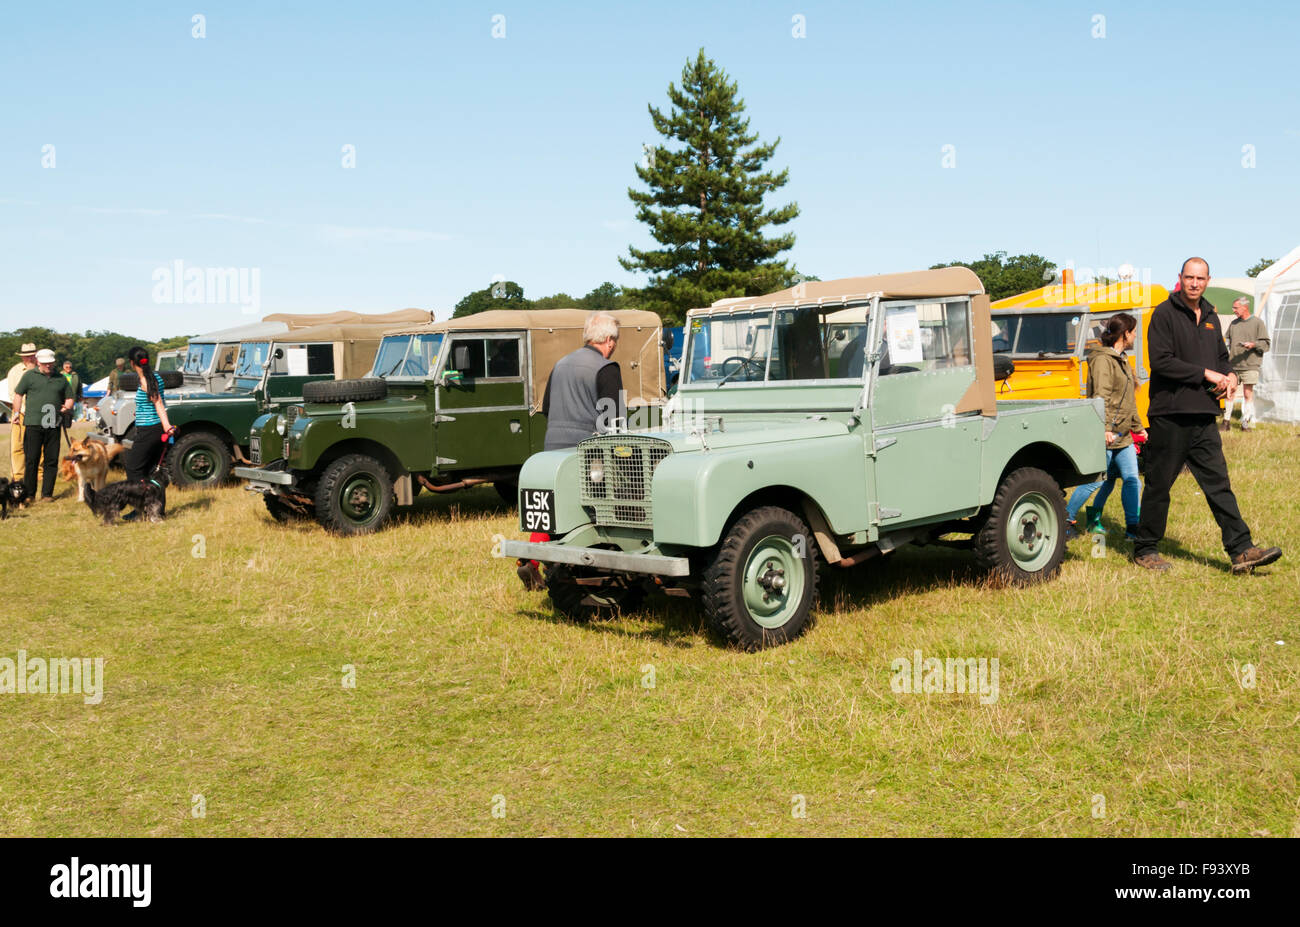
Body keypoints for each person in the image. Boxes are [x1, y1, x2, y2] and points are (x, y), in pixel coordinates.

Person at [1131, 258, 1281, 574]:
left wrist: (1231, 377)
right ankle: (1145, 549)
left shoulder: (1212, 316)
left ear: (1208, 280)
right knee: (1159, 485)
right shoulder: (1164, 313)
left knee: (1219, 484)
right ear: (1180, 278)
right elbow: (1161, 362)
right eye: (1189, 277)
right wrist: (1207, 374)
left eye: (1200, 278)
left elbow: (1222, 359)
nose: (1195, 283)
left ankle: (1241, 551)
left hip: (1203, 415)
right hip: (1170, 414)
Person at [517, 312, 624, 589]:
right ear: (609, 341)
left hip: (553, 447)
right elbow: (614, 420)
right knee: (594, 513)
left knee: (551, 509)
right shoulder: (607, 368)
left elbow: (549, 408)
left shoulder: (560, 364)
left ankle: (531, 560)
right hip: (588, 453)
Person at [1065, 313, 1145, 540]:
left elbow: (1127, 399)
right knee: (1095, 482)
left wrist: (1138, 427)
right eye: (1134, 331)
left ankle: (1132, 529)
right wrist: (1104, 429)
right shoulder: (1102, 360)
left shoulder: (1121, 358)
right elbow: (1102, 397)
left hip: (1124, 435)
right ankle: (1066, 518)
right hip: (1108, 433)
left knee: (1131, 480)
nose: (1136, 335)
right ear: (1125, 334)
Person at [12, 349, 72, 503]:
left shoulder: (60, 378)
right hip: (33, 424)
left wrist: (66, 407)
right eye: (45, 363)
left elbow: (70, 397)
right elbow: (18, 394)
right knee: (32, 459)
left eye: (51, 363)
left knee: (51, 460)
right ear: (38, 362)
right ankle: (29, 495)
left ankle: (47, 494)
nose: (48, 366)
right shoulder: (29, 376)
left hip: (53, 424)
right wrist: (16, 413)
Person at [123, 346, 176, 516]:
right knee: (153, 471)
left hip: (150, 430)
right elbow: (153, 403)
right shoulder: (156, 377)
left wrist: (167, 426)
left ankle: (140, 508)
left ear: (132, 363)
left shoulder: (146, 380)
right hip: (154, 429)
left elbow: (159, 403)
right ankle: (158, 510)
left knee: (133, 467)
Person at [1222, 296, 1269, 431]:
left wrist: (1253, 345)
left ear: (1245, 307)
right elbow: (1227, 340)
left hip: (1250, 365)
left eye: (1236, 308)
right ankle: (1226, 422)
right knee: (1229, 392)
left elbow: (1266, 344)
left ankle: (1245, 423)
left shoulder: (1258, 323)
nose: (1233, 310)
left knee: (1248, 394)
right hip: (1233, 365)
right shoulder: (1233, 324)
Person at [6, 343, 38, 481]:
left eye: (31, 356)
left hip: (39, 414)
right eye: (26, 356)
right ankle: (18, 476)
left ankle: (39, 474)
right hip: (21, 412)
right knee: (17, 446)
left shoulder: (42, 369)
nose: (29, 359)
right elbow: (13, 394)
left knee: (39, 447)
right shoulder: (15, 371)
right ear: (22, 357)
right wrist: (19, 411)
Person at [61, 359, 82, 425]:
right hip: (62, 397)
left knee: (70, 412)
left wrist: (80, 396)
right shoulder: (59, 375)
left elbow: (79, 386)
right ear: (63, 368)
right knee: (62, 412)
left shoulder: (75, 375)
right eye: (67, 367)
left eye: (70, 367)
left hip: (72, 396)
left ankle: (68, 425)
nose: (68, 368)